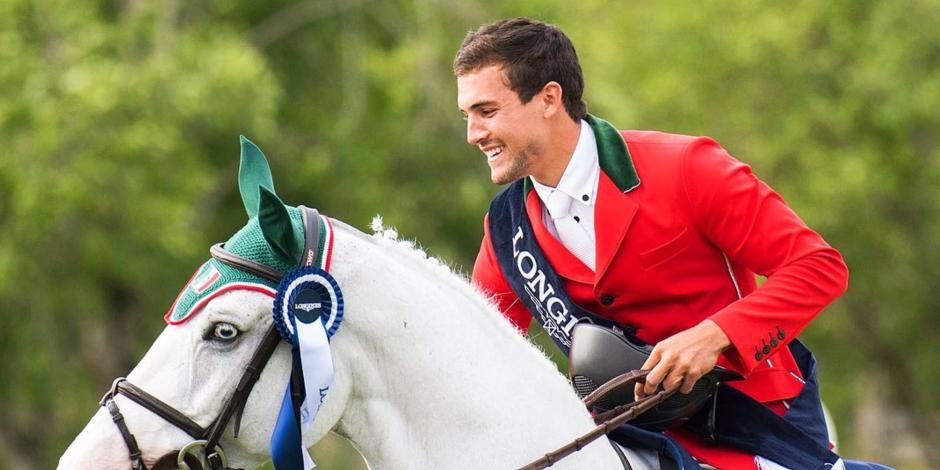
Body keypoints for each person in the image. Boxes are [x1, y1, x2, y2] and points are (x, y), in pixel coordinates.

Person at [456, 18, 887, 470]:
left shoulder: (687, 166)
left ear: (548, 99)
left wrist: (713, 336)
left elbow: (818, 267)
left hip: (753, 419)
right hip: (622, 430)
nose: (473, 134)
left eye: (486, 111)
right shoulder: (506, 228)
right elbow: (483, 355)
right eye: (466, 116)